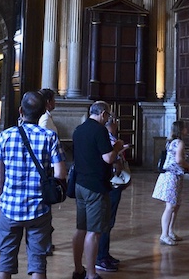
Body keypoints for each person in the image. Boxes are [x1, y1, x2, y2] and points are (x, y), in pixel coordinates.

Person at [0, 91, 66, 279]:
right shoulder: (50, 137)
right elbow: (60, 174)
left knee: (5, 262)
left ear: (20, 111)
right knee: (38, 264)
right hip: (39, 208)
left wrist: (2, 198)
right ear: (43, 112)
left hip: (10, 207)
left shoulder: (5, 136)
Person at [71, 101, 126, 279]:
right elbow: (108, 158)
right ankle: (92, 274)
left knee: (81, 229)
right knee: (94, 232)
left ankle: (79, 269)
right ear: (103, 114)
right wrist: (117, 146)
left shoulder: (79, 129)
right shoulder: (100, 130)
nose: (108, 118)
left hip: (79, 184)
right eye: (108, 115)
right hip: (95, 186)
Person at [96, 116, 129, 273]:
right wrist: (119, 149)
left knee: (109, 220)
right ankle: (100, 256)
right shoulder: (107, 137)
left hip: (112, 182)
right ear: (112, 123)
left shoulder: (110, 137)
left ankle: (105, 254)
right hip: (111, 182)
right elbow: (109, 158)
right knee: (106, 221)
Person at [152, 120, 189, 246]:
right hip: (172, 176)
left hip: (174, 176)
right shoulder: (179, 143)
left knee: (175, 205)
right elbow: (179, 160)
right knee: (170, 206)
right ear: (181, 129)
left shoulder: (171, 142)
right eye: (185, 128)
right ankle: (164, 234)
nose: (187, 129)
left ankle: (170, 231)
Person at [38, 88, 60, 256]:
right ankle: (44, 244)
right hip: (45, 169)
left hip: (44, 168)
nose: (55, 103)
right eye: (53, 100)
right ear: (47, 102)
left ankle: (45, 243)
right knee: (45, 207)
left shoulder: (46, 117)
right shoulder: (44, 119)